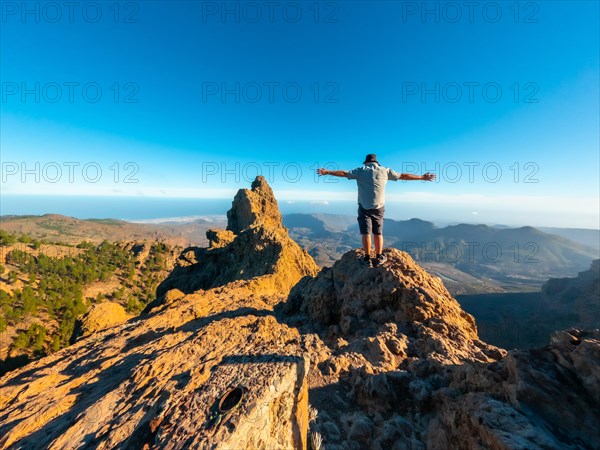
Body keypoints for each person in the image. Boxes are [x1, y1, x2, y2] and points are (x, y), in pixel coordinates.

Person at [317, 154, 436, 267]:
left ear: (367, 162)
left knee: (366, 233)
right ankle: (379, 257)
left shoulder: (361, 170)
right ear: (376, 162)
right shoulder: (385, 170)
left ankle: (367, 258)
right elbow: (403, 176)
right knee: (378, 233)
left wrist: (327, 172)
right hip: (379, 207)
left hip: (364, 207)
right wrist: (422, 177)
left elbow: (343, 173)